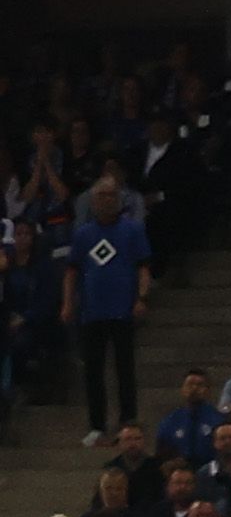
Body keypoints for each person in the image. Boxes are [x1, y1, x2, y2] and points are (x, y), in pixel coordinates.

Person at [63, 173, 150, 445]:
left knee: (125, 368)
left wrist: (141, 298)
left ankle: (128, 420)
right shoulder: (84, 233)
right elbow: (72, 270)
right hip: (92, 311)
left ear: (119, 198)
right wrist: (67, 302)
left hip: (122, 309)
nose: (106, 200)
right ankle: (97, 425)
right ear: (92, 200)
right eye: (100, 195)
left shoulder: (132, 229)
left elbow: (143, 266)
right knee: (93, 370)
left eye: (111, 195)